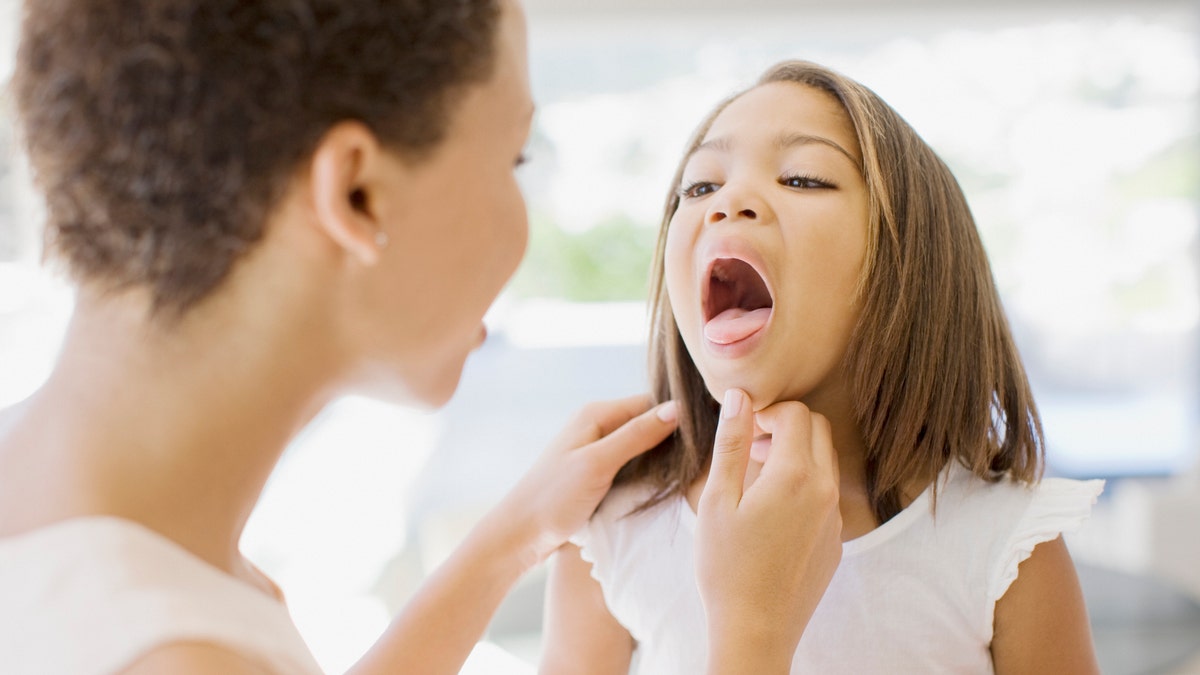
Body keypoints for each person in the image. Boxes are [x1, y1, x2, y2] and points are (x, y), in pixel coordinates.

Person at [0, 2, 844, 674]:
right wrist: (751, 635)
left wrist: (509, 537)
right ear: (359, 194)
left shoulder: (103, 539)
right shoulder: (172, 654)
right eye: (516, 158)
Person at [541, 60, 1106, 674]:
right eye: (700, 186)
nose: (729, 202)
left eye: (804, 179)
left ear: (907, 267)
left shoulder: (1002, 545)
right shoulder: (614, 527)